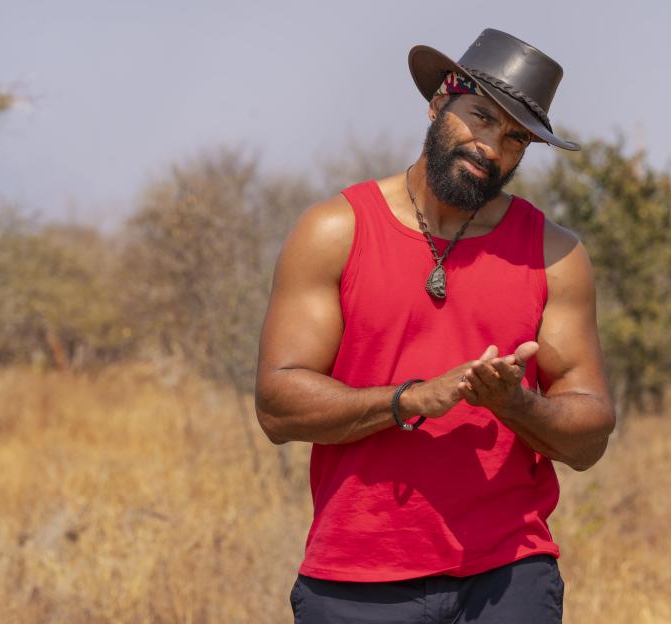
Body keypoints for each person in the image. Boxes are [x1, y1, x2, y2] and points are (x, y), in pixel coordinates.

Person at [255, 28, 615, 623]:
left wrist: (514, 404)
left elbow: (590, 436)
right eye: (480, 117)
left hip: (508, 577)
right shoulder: (335, 231)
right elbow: (277, 406)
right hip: (357, 578)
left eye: (515, 137)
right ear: (439, 100)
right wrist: (414, 397)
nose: (491, 147)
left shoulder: (554, 254)